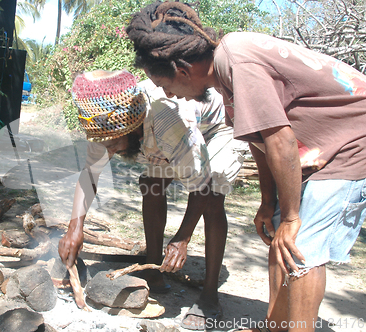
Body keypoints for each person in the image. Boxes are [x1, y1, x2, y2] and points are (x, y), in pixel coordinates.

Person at [126, 2, 366, 332]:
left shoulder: (237, 62)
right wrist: (269, 203)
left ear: (182, 71)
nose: (168, 93)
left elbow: (280, 140)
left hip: (353, 140)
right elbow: (261, 143)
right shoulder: (225, 74)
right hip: (321, 148)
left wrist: (293, 217)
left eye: (167, 86)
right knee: (280, 242)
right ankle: (274, 327)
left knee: (301, 248)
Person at [58, 69, 248, 330]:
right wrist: (74, 228)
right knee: (152, 185)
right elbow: (90, 173)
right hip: (169, 134)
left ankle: (209, 297)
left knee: (213, 197)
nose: (109, 151)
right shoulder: (106, 120)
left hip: (217, 128)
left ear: (133, 130)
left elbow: (201, 184)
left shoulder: (169, 122)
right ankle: (154, 270)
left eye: (113, 145)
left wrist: (182, 238)